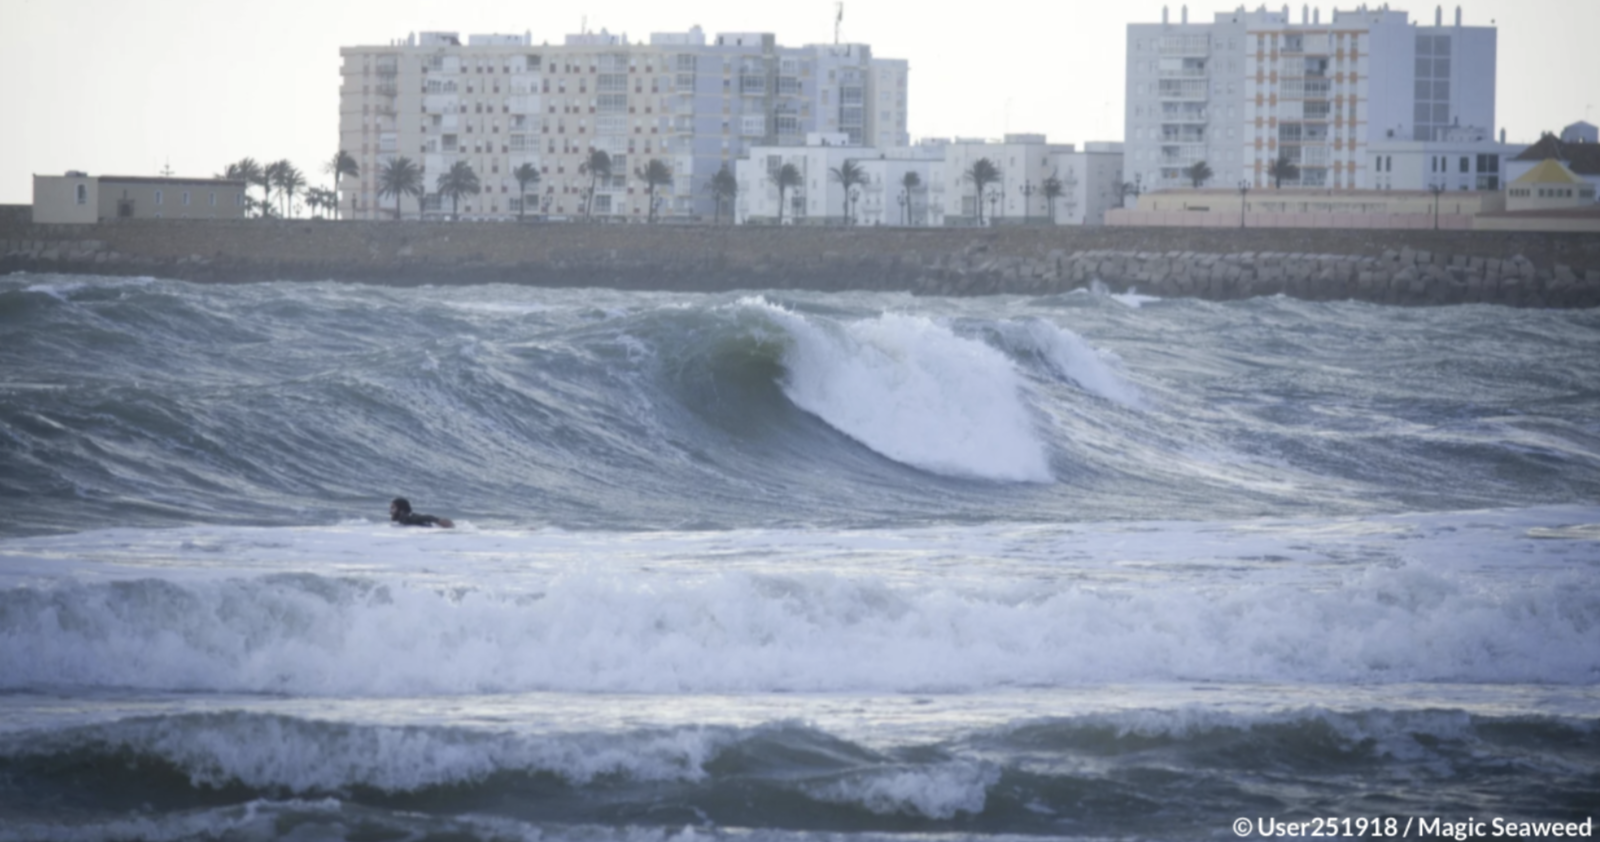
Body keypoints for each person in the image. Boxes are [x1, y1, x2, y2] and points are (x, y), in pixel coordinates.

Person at [389, 497, 454, 528]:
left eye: (393, 508)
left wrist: (438, 521)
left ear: (401, 509)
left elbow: (429, 517)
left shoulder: (409, 518)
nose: (390, 511)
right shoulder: (403, 519)